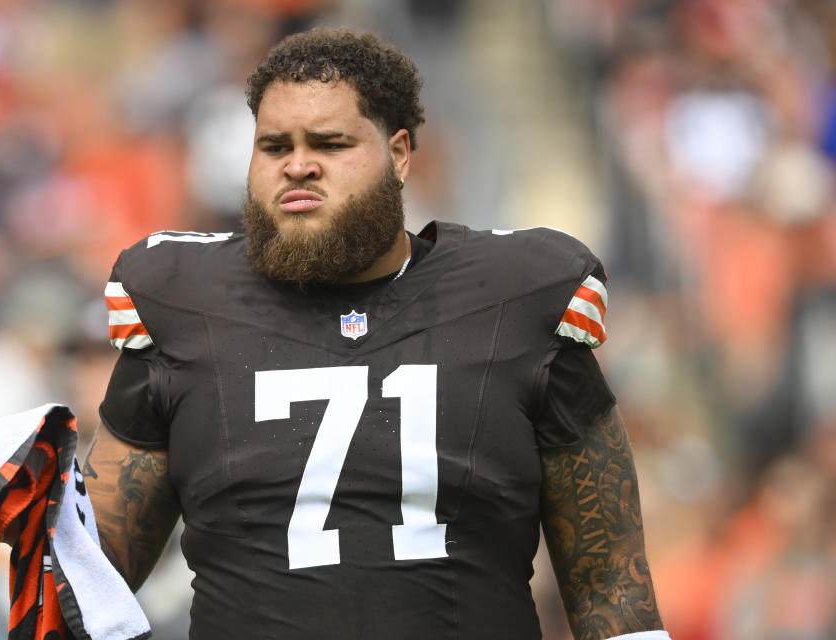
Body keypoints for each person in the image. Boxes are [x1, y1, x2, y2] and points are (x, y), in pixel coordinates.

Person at [84, 27, 668, 640]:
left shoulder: (520, 300)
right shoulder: (184, 305)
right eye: (274, 146)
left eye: (330, 143)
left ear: (399, 154)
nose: (298, 165)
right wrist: (44, 529)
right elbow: (92, 582)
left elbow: (613, 592)